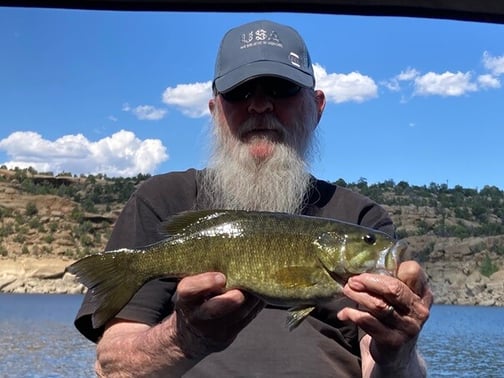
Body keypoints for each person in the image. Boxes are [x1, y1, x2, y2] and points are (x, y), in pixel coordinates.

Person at [74, 19, 432, 377]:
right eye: (240, 93)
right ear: (215, 110)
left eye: (281, 89)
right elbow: (113, 364)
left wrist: (397, 354)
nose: (260, 106)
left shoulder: (361, 217)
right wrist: (184, 337)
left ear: (317, 106)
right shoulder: (163, 198)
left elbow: (382, 362)